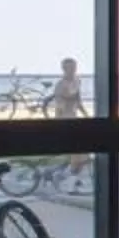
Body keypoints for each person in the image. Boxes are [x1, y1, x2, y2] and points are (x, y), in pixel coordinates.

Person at [49, 57, 88, 190]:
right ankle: (69, 180)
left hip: (74, 117)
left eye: (73, 67)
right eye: (68, 68)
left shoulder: (77, 81)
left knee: (82, 154)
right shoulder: (60, 84)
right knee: (77, 153)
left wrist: (86, 115)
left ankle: (68, 176)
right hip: (64, 119)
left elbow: (78, 100)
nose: (71, 70)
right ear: (64, 69)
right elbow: (59, 105)